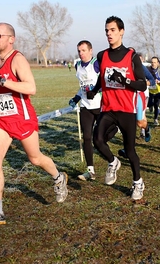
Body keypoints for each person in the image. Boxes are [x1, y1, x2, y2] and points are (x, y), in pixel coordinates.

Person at [0, 22, 68, 225]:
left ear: (11, 39)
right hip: (2, 119)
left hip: (22, 118)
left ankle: (58, 177)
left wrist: (2, 82)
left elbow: (31, 87)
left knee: (35, 158)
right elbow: (5, 92)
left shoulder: (17, 59)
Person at [87, 16, 147, 200]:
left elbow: (142, 85)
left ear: (121, 31)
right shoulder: (102, 55)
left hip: (127, 110)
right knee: (97, 140)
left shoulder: (132, 56)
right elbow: (101, 77)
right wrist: (94, 90)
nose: (109, 34)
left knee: (130, 151)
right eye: (106, 30)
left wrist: (126, 81)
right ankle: (113, 162)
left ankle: (138, 183)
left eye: (112, 30)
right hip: (108, 108)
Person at [68, 40, 101, 181]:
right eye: (79, 51)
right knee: (87, 137)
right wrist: (76, 97)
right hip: (85, 106)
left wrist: (96, 91)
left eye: (83, 50)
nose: (81, 53)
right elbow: (82, 86)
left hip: (100, 105)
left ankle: (112, 160)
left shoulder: (97, 64)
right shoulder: (78, 65)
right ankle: (90, 170)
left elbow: (105, 82)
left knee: (101, 138)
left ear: (90, 51)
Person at [147, 56, 160, 126]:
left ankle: (155, 119)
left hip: (158, 91)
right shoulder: (148, 70)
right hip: (149, 91)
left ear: (158, 63)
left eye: (155, 62)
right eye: (152, 62)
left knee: (156, 105)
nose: (153, 64)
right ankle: (150, 106)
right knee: (148, 104)